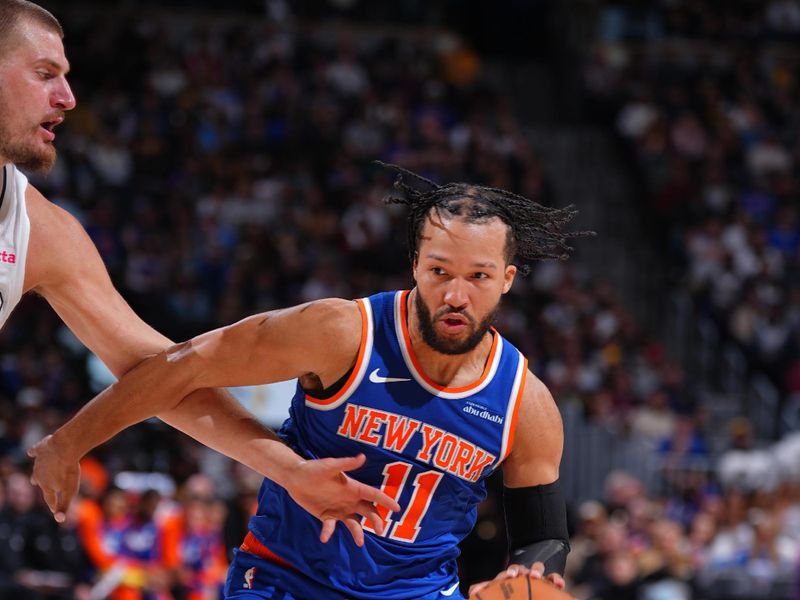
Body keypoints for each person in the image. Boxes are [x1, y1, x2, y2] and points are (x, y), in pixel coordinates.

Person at [32, 163, 585, 599]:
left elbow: (543, 535)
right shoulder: (342, 333)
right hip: (286, 580)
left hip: (419, 593)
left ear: (507, 280)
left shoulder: (524, 402)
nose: (455, 295)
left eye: (479, 277)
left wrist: (528, 578)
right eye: (440, 271)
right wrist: (72, 440)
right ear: (415, 264)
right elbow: (184, 364)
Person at [0, 0, 399, 542]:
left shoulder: (43, 232)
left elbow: (163, 375)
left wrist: (289, 472)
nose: (67, 99)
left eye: (66, 78)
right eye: (45, 74)